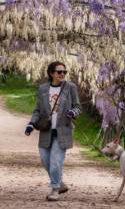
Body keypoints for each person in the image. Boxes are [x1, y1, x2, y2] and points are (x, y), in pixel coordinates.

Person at [25, 61, 82, 201]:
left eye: (64, 72)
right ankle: (60, 183)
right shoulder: (43, 89)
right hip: (46, 131)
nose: (62, 74)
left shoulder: (70, 87)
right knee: (46, 161)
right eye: (59, 72)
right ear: (51, 73)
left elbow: (78, 107)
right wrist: (31, 124)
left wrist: (73, 113)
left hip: (63, 130)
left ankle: (55, 190)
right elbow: (38, 110)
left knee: (56, 161)